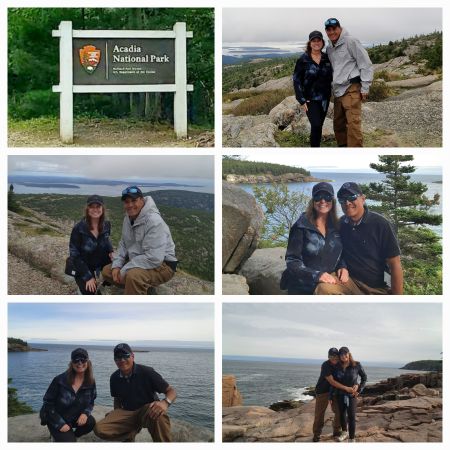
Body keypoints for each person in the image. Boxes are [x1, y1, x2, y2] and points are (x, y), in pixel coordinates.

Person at [315, 182, 403, 295]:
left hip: (376, 287)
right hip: (349, 281)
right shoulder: (341, 224)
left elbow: (395, 264)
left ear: (363, 199)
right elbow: (337, 252)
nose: (347, 203)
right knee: (323, 289)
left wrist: (398, 300)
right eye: (342, 199)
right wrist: (342, 266)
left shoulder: (380, 224)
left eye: (352, 197)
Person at [101, 186, 177, 295]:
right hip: (140, 259)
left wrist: (124, 270)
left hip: (163, 264)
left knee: (132, 276)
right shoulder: (128, 218)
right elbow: (123, 244)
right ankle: (143, 287)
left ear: (142, 200)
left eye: (134, 200)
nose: (130, 205)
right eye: (127, 202)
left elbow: (154, 258)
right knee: (107, 271)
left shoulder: (154, 221)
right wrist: (117, 265)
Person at [94, 343, 177, 442]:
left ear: (133, 356)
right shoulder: (114, 377)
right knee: (99, 429)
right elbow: (117, 398)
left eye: (126, 356)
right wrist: (116, 413)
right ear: (115, 360)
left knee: (158, 414)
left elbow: (171, 391)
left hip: (147, 411)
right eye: (118, 357)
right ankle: (129, 434)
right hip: (127, 413)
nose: (122, 360)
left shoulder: (147, 372)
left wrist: (165, 403)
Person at [280, 182, 349, 294]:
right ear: (313, 201)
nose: (322, 201)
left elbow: (340, 253)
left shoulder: (336, 226)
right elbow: (292, 261)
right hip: (302, 287)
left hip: (327, 284)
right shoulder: (301, 226)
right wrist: (317, 275)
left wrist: (343, 267)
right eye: (318, 197)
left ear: (333, 201)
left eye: (327, 197)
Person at [324, 18, 373, 147]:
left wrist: (365, 87)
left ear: (339, 28)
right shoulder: (329, 48)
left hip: (351, 88)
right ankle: (343, 148)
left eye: (334, 29)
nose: (332, 32)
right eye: (329, 30)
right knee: (338, 124)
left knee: (353, 123)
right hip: (338, 90)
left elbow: (366, 64)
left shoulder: (351, 41)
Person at [42, 348, 96, 442]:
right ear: (72, 362)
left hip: (74, 416)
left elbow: (91, 401)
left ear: (87, 361)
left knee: (91, 422)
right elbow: (47, 403)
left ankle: (71, 436)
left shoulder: (90, 382)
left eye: (83, 359)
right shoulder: (60, 380)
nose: (79, 362)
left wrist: (85, 413)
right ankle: (61, 437)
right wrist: (60, 424)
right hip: (56, 417)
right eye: (76, 359)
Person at [293, 30, 333, 147]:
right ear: (310, 43)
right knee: (315, 124)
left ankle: (316, 146)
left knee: (319, 125)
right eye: (313, 41)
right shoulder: (303, 59)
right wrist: (301, 99)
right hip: (310, 99)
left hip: (325, 98)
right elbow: (296, 80)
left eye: (318, 40)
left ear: (322, 42)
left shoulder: (327, 58)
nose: (316, 43)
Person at [69, 195, 114, 295]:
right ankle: (81, 290)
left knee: (114, 276)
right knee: (90, 291)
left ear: (102, 208)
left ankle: (102, 285)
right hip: (84, 263)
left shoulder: (106, 224)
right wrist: (88, 277)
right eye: (92, 207)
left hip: (100, 260)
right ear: (87, 209)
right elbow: (74, 254)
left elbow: (106, 239)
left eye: (98, 207)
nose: (95, 209)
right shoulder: (79, 228)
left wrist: (110, 250)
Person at [312, 347, 357, 442]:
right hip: (323, 392)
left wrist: (356, 384)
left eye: (335, 356)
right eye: (331, 356)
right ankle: (316, 434)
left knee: (339, 412)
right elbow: (332, 381)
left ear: (338, 356)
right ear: (328, 356)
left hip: (336, 392)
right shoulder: (325, 365)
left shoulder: (341, 364)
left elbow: (351, 375)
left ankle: (337, 431)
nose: (333, 358)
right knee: (319, 414)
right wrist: (346, 388)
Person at [330, 347, 367, 442]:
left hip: (352, 395)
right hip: (340, 394)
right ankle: (344, 432)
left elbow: (364, 378)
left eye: (345, 353)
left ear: (349, 354)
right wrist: (330, 396)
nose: (343, 356)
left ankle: (352, 438)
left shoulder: (357, 365)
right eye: (341, 354)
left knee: (351, 416)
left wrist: (359, 388)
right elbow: (333, 382)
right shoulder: (336, 366)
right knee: (342, 415)